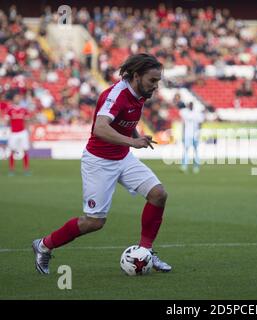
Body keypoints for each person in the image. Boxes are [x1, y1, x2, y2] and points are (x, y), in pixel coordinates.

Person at [32, 53, 172, 274]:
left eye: (157, 81)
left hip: (123, 157)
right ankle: (43, 245)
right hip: (99, 161)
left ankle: (146, 251)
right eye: (152, 80)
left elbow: (124, 123)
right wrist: (133, 141)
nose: (155, 86)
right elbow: (100, 127)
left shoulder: (140, 93)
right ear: (136, 76)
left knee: (158, 194)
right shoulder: (116, 94)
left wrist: (134, 137)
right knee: (94, 222)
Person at [5, 93, 31, 176]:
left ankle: (26, 169)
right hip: (13, 133)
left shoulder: (24, 110)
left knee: (25, 150)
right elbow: (7, 121)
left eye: (18, 98)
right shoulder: (10, 110)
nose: (17, 99)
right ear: (13, 99)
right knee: (12, 150)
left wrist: (28, 131)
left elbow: (27, 121)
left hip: (22, 132)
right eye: (16, 98)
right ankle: (11, 169)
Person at [179, 102, 204, 173]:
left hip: (195, 134)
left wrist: (199, 132)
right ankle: (184, 166)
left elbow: (200, 124)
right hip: (187, 134)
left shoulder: (197, 114)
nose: (190, 106)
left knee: (196, 151)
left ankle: (196, 166)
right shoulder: (185, 113)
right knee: (186, 150)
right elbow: (184, 124)